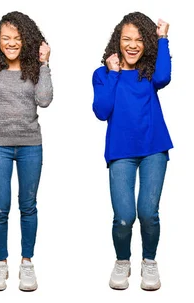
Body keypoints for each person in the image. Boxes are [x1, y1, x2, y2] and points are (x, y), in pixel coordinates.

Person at [0, 11, 52, 292]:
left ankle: (27, 263)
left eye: (17, 38)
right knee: (0, 208)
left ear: (26, 40)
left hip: (31, 145)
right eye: (6, 38)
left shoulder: (33, 68)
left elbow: (44, 100)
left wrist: (45, 64)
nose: (11, 43)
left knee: (28, 206)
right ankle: (0, 263)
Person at [92, 12, 172, 291]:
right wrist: (113, 74)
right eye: (127, 39)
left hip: (154, 148)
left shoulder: (149, 72)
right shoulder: (103, 74)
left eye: (139, 39)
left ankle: (149, 261)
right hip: (120, 151)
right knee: (124, 216)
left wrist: (162, 39)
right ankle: (122, 260)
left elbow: (164, 76)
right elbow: (101, 111)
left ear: (146, 42)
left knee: (149, 212)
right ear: (118, 41)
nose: (133, 45)